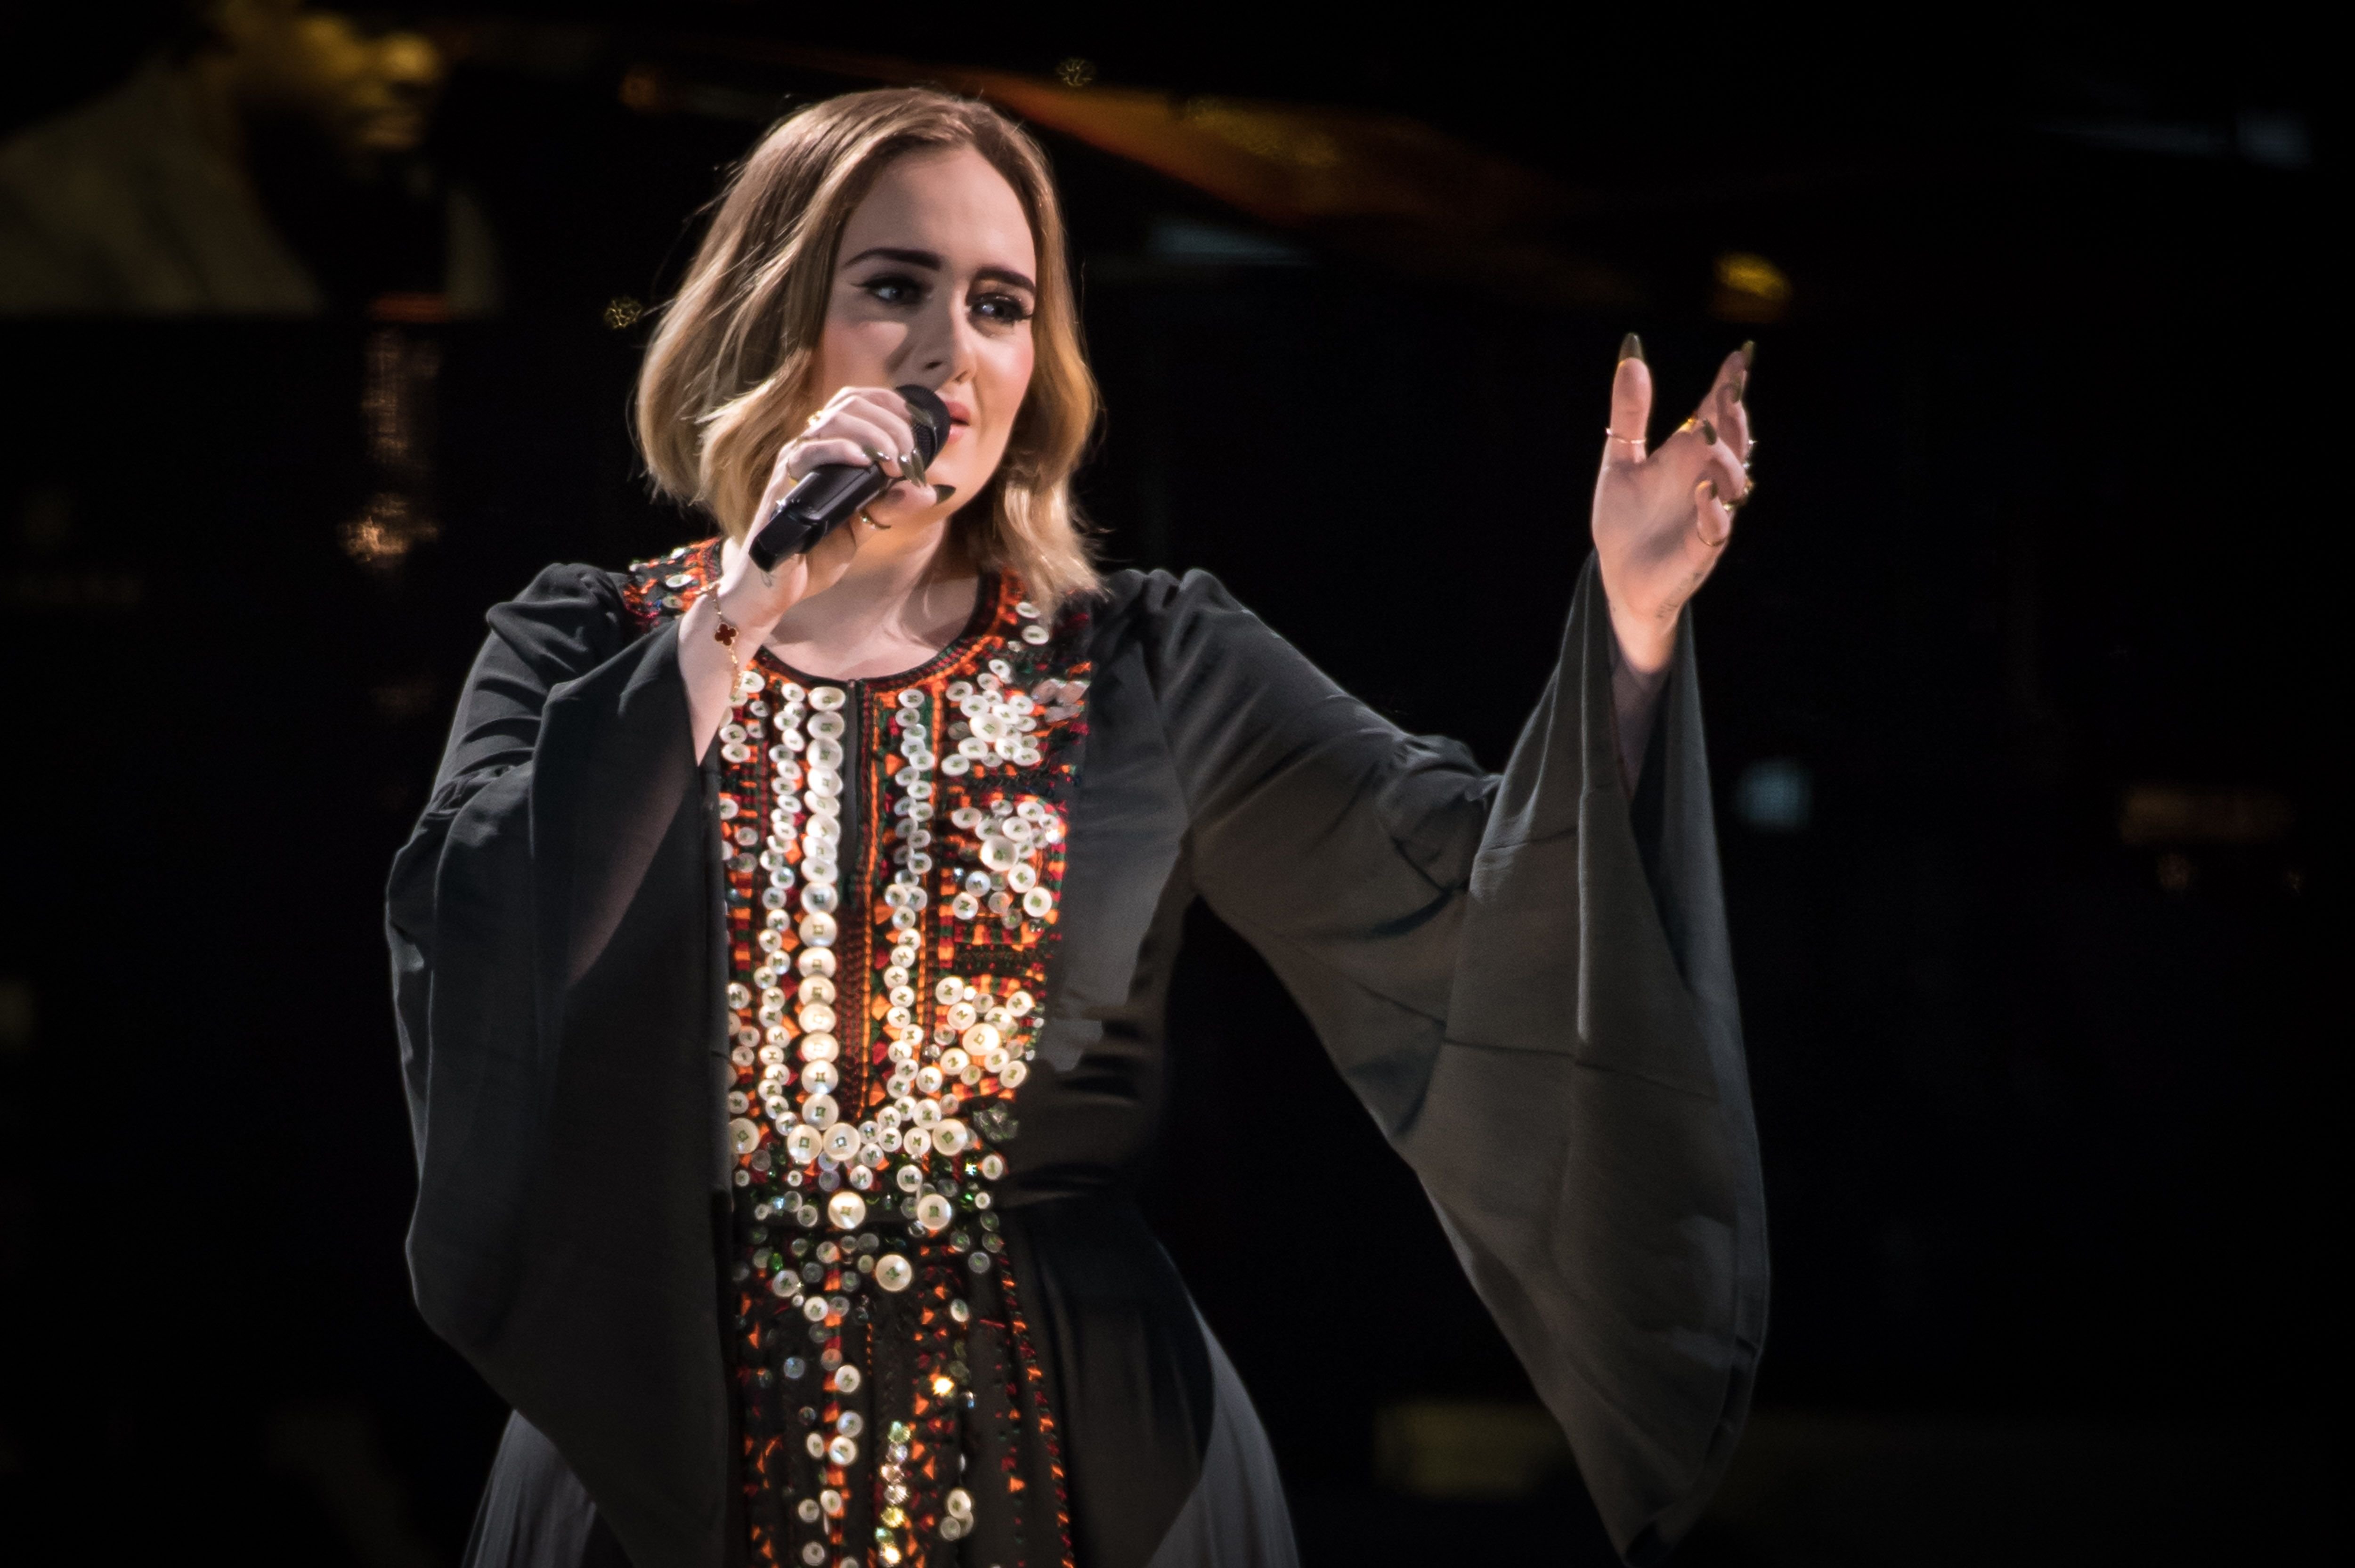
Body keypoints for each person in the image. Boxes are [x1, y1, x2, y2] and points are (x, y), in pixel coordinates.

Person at [388, 88, 1765, 1568]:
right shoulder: (586, 642)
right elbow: (482, 938)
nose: (948, 352)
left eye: (999, 305)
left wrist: (1627, 622)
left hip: (1076, 1448)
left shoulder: (1145, 661)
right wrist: (741, 610)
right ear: (774, 315)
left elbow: (1492, 897)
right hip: (664, 1445)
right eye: (894, 288)